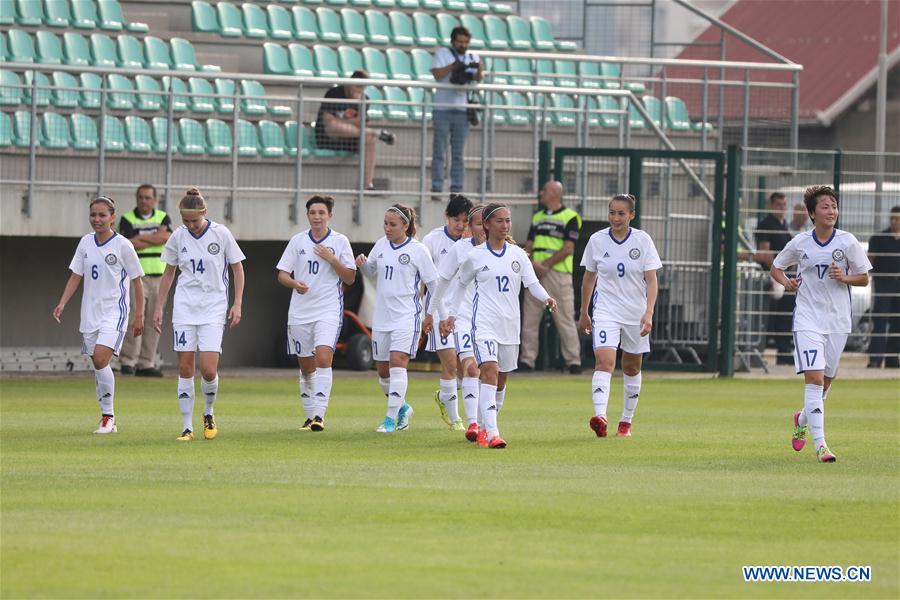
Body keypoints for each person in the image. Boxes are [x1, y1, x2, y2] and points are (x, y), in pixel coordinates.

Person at [433, 204, 557, 448]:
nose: (505, 225)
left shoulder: (518, 255)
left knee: (500, 382)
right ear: (487, 225)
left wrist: (547, 298)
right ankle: (492, 434)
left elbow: (532, 283)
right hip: (483, 325)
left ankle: (484, 424)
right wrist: (452, 316)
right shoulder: (475, 256)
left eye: (508, 220)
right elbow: (460, 286)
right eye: (499, 221)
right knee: (488, 371)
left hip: (509, 327)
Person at [770, 186, 871, 463]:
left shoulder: (847, 242)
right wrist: (786, 282)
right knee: (814, 379)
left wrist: (844, 277)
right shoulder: (800, 242)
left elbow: (864, 277)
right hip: (807, 319)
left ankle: (802, 418)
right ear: (812, 213)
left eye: (834, 206)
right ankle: (822, 446)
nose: (831, 211)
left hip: (837, 321)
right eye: (825, 207)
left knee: (824, 384)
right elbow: (776, 267)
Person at [152, 188, 246, 442]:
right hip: (184, 308)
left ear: (204, 212)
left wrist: (237, 303)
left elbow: (238, 269)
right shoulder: (178, 236)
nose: (190, 225)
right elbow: (168, 273)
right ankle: (186, 427)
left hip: (213, 308)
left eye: (194, 220)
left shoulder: (221, 233)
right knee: (185, 367)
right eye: (186, 220)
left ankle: (208, 412)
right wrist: (159, 307)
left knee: (207, 369)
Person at [52, 196, 145, 434]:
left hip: (115, 312)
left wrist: (139, 316)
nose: (97, 219)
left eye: (102, 215)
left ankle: (108, 416)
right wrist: (62, 303)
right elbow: (76, 275)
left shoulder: (123, 245)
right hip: (90, 314)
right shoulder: (85, 242)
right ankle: (107, 416)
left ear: (113, 217)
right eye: (93, 215)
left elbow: (137, 281)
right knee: (97, 363)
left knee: (102, 359)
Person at [578, 194, 662, 438]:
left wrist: (649, 312)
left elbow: (651, 280)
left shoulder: (643, 240)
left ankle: (626, 421)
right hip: (606, 310)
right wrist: (584, 311)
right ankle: (600, 416)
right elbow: (589, 278)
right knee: (604, 361)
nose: (615, 218)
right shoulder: (597, 240)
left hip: (635, 313)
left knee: (632, 366)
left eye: (621, 213)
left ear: (631, 215)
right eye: (612, 212)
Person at [355, 204, 439, 433]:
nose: (387, 228)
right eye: (385, 223)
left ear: (405, 226)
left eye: (393, 224)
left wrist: (429, 314)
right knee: (383, 371)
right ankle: (402, 408)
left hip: (407, 317)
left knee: (397, 363)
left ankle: (389, 421)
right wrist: (363, 264)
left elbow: (434, 285)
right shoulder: (381, 245)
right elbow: (371, 272)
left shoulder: (418, 250)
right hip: (382, 317)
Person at [276, 196, 357, 431]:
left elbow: (350, 277)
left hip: (328, 310)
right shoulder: (298, 241)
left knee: (323, 358)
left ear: (330, 215)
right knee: (306, 367)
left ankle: (320, 415)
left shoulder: (340, 241)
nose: (317, 217)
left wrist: (332, 259)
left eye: (322, 213)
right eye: (313, 212)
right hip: (300, 312)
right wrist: (294, 283)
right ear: (307, 215)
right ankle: (310, 416)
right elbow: (282, 274)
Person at [421, 194, 473, 431]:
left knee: (468, 370)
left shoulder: (473, 243)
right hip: (439, 310)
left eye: (464, 220)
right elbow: (425, 278)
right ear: (447, 217)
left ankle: (444, 396)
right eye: (456, 220)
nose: (460, 225)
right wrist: (428, 312)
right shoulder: (432, 240)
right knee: (451, 364)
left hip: (465, 312)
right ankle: (455, 418)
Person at [520, 180, 583, 374]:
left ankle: (573, 361)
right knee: (530, 318)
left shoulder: (570, 217)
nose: (541, 193)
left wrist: (544, 265)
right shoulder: (537, 217)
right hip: (535, 273)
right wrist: (532, 265)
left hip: (558, 274)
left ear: (556, 192)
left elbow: (568, 248)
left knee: (564, 318)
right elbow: (529, 244)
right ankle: (527, 360)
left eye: (545, 190)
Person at [118, 183, 171, 377]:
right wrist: (155, 236)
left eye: (148, 197)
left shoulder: (163, 217)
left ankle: (146, 362)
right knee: (134, 317)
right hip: (136, 277)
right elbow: (128, 243)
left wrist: (141, 238)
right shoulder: (127, 219)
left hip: (159, 277)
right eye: (141, 197)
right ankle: (128, 360)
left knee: (154, 320)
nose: (144, 201)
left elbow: (166, 237)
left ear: (154, 200)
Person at [314, 70, 395, 192]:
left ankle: (368, 185)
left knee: (369, 138)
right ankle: (374, 132)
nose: (359, 90)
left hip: (349, 139)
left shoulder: (364, 99)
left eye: (362, 88)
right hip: (328, 138)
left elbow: (362, 123)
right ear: (350, 83)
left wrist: (359, 106)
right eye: (357, 86)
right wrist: (350, 122)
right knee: (334, 125)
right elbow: (328, 120)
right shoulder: (334, 93)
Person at [430, 26, 482, 196]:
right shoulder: (443, 53)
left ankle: (456, 188)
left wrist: (479, 68)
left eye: (466, 42)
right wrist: (453, 66)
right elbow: (437, 75)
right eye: (460, 42)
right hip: (442, 108)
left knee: (458, 153)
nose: (463, 45)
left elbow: (477, 78)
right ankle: (437, 187)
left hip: (462, 109)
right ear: (453, 41)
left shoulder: (472, 56)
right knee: (440, 150)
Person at [754, 192, 795, 365]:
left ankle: (784, 352)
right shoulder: (766, 224)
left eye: (784, 204)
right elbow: (765, 252)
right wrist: (776, 276)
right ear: (771, 205)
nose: (782, 208)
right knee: (771, 317)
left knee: (786, 315)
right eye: (778, 204)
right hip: (773, 278)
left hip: (786, 277)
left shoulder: (784, 224)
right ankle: (767, 351)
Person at [867, 205, 900, 368]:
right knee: (879, 320)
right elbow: (869, 261)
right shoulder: (878, 238)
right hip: (883, 284)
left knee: (897, 322)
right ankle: (875, 359)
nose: (894, 222)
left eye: (897, 219)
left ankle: (892, 359)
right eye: (892, 218)